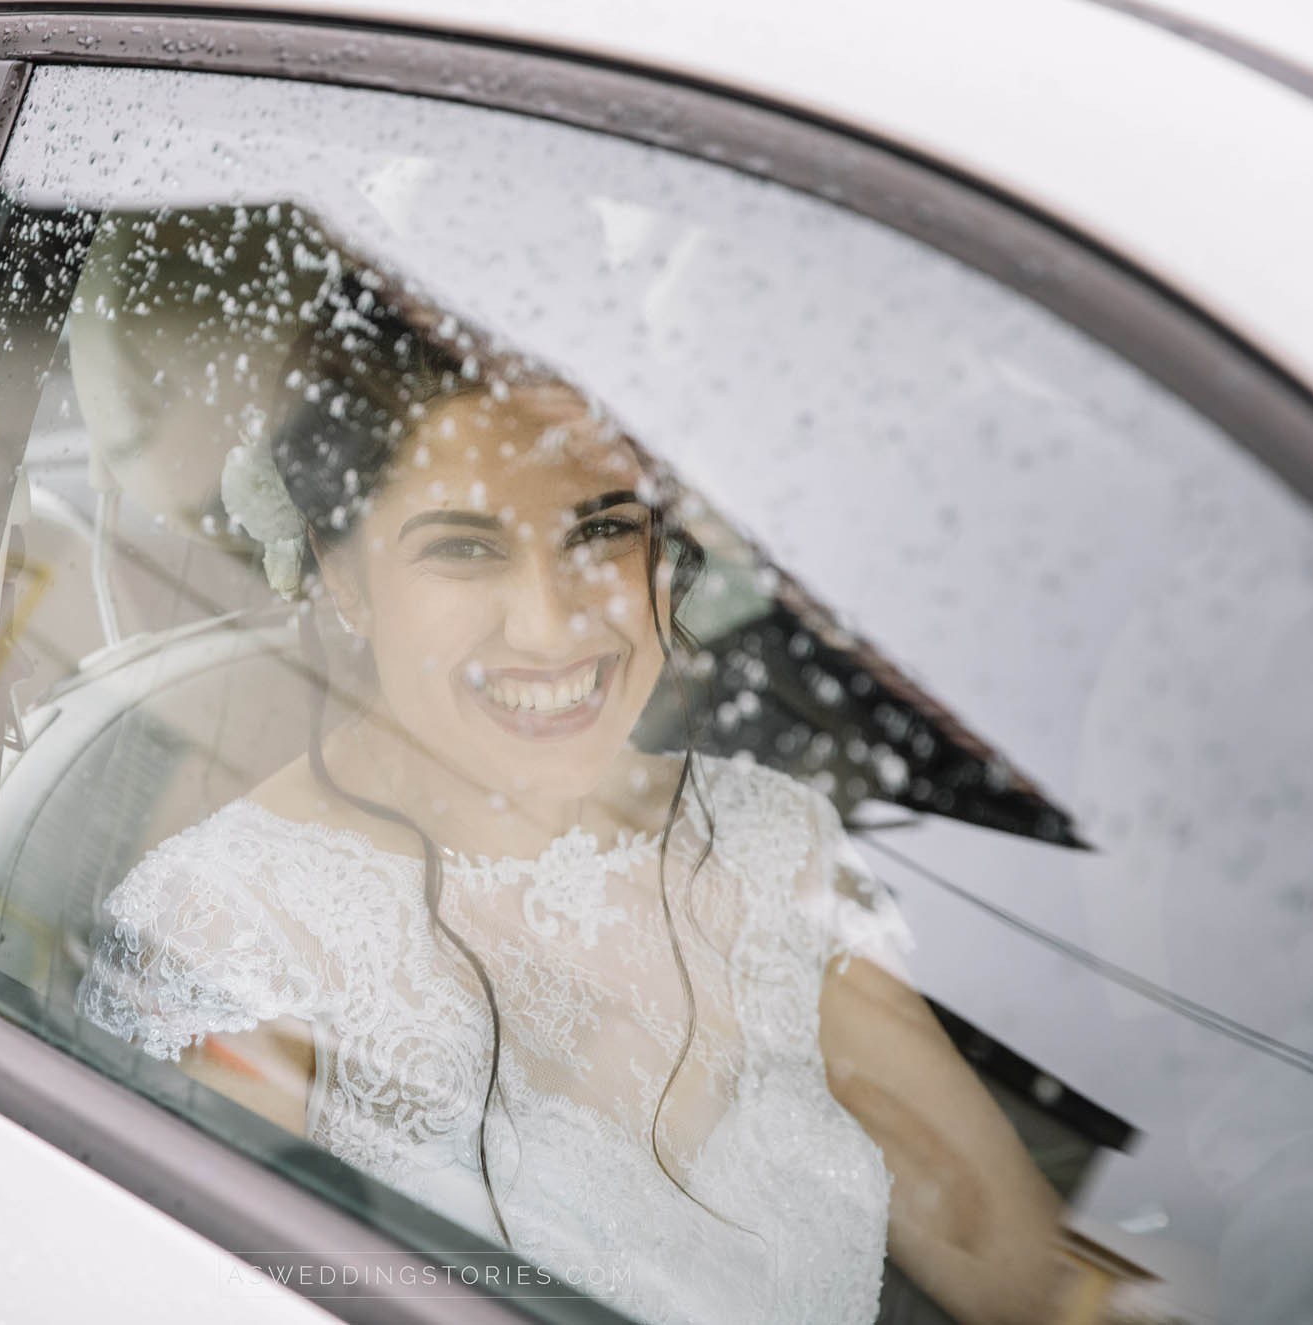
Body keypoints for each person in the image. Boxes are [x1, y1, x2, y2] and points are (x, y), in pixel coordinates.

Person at [79, 257, 1065, 1325]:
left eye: (600, 533)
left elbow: (1008, 1266)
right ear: (345, 574)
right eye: (463, 549)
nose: (551, 627)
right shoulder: (227, 937)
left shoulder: (766, 841)